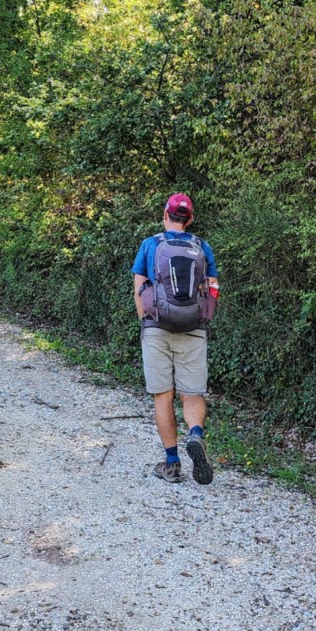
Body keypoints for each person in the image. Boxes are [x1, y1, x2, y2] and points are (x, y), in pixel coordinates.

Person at [133, 193, 219, 484]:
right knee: (192, 394)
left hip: (157, 326)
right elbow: (213, 288)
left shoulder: (151, 244)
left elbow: (139, 291)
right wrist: (202, 317)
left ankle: (172, 463)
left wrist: (147, 324)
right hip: (193, 327)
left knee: (163, 395)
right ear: (190, 219)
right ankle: (195, 434)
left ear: (165, 214)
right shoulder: (202, 247)